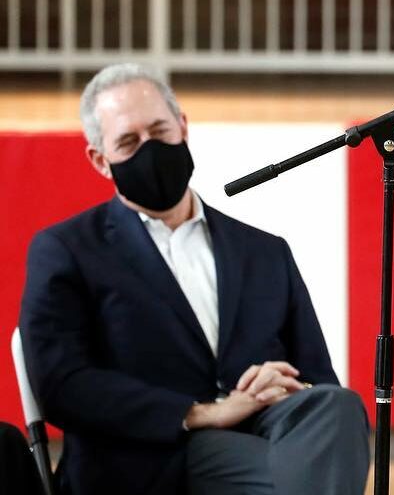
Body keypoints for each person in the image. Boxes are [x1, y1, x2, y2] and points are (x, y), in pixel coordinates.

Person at [19, 64, 370, 495]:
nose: (149, 149)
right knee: (300, 477)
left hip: (263, 431)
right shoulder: (67, 249)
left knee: (338, 406)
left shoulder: (265, 252)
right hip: (147, 457)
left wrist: (283, 384)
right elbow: (62, 386)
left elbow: (318, 378)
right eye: (129, 142)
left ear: (182, 127)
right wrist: (199, 412)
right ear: (100, 159)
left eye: (159, 131)